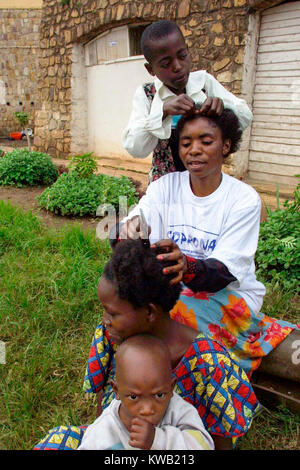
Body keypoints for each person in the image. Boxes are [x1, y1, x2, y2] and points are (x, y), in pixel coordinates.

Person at [119, 105, 300, 380]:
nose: (194, 150)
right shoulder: (164, 187)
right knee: (132, 310)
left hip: (229, 294)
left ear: (226, 145)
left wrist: (187, 267)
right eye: (186, 142)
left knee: (170, 316)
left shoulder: (242, 199)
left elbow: (223, 272)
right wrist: (130, 230)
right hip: (173, 289)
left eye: (206, 141)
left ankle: (183, 378)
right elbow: (133, 221)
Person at [34, 239, 260, 451]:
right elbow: (104, 409)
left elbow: (221, 439)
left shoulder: (209, 362)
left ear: (150, 311)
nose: (105, 320)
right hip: (121, 441)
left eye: (112, 313)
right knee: (56, 441)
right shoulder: (110, 336)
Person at [122, 20, 253, 182]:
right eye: (166, 64)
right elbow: (136, 148)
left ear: (188, 52)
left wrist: (223, 108)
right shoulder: (147, 95)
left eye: (182, 56)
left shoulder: (204, 83)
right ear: (151, 69)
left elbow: (246, 117)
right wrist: (162, 112)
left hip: (204, 183)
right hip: (166, 187)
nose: (177, 66)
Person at [78, 334, 214, 450]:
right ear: (116, 391)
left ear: (171, 387)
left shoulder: (178, 411)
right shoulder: (102, 433)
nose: (147, 409)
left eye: (159, 395)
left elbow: (205, 446)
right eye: (134, 397)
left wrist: (158, 439)